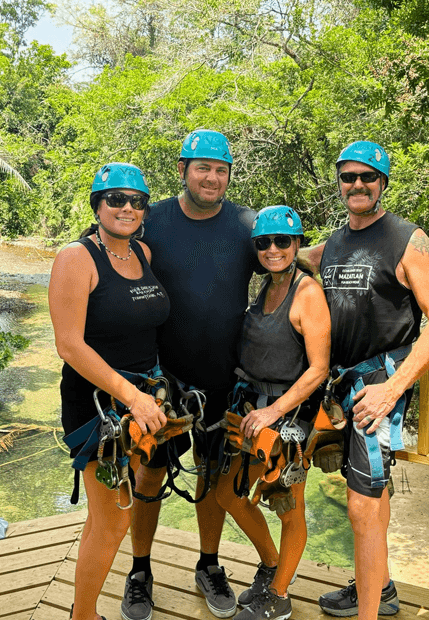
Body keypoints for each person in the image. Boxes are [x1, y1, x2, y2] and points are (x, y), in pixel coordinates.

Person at [300, 142, 429, 620]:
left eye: (368, 177)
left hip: (380, 389)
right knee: (372, 493)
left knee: (362, 506)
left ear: (383, 182)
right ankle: (380, 588)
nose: (358, 185)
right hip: (345, 389)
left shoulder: (408, 240)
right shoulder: (335, 242)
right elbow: (286, 257)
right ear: (340, 184)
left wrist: (392, 390)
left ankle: (369, 612)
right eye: (348, 177)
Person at [124, 129, 258, 620]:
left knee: (213, 468)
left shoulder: (246, 224)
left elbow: (292, 258)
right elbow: (107, 257)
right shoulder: (150, 219)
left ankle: (209, 564)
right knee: (150, 468)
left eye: (220, 169)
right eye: (202, 167)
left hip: (224, 374)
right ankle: (140, 571)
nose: (212, 177)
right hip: (162, 378)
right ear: (183, 169)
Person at [49, 163, 170, 620]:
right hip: (97, 405)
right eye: (115, 198)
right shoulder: (76, 258)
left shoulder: (142, 254)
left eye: (136, 201)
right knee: (116, 517)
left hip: (140, 403)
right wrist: (132, 396)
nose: (126, 207)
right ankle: (83, 616)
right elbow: (69, 344)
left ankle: (84, 610)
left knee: (105, 518)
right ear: (97, 205)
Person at [214, 205, 331, 620]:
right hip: (252, 406)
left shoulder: (307, 294)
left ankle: (279, 596)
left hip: (289, 414)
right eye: (263, 243)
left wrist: (275, 412)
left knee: (288, 505)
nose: (273, 249)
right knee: (227, 491)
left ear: (296, 243)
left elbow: (318, 368)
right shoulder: (267, 286)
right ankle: (271, 564)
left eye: (283, 241)